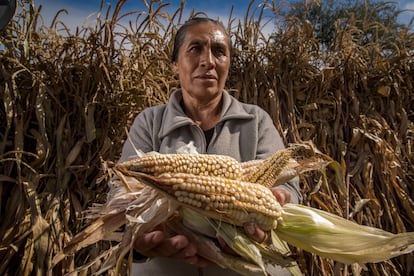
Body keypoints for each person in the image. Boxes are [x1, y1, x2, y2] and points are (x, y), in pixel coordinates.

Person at [119, 16, 302, 276]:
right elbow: (123, 193)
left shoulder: (256, 120)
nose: (208, 61)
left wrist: (278, 203)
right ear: (174, 65)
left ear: (228, 63)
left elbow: (287, 187)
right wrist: (140, 239)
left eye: (219, 51)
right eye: (195, 49)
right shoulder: (149, 121)